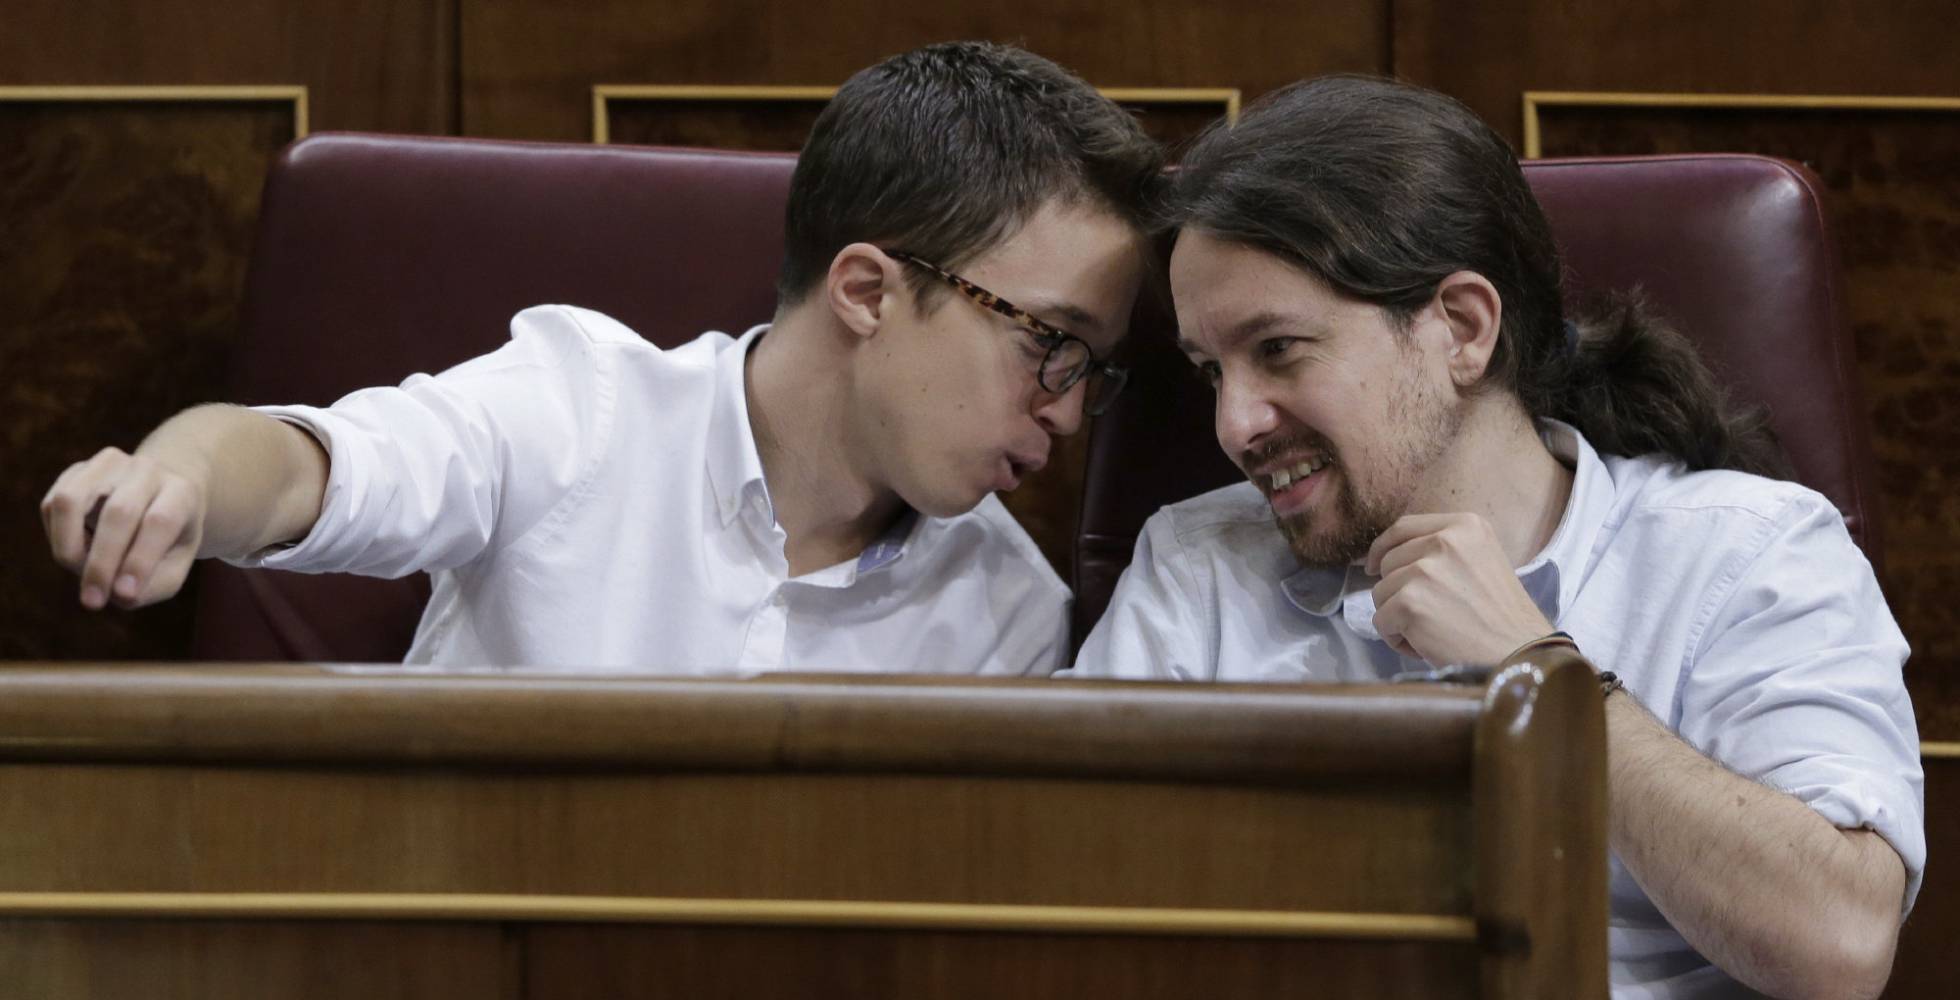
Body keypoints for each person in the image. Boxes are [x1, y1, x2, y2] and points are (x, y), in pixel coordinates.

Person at [1073, 76, 1921, 998]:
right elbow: (1062, 888)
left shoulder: (1747, 552)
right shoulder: (1197, 565)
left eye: (1278, 349)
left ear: (1462, 330)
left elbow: (1838, 948)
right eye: (1210, 371)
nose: (1235, 425)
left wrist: (1541, 671)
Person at [41, 41, 1160, 676]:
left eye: (1090, 368)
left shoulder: (1009, 609)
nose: (1068, 414)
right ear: (867, 290)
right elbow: (299, 466)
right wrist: (179, 479)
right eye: (1049, 344)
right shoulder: (579, 406)